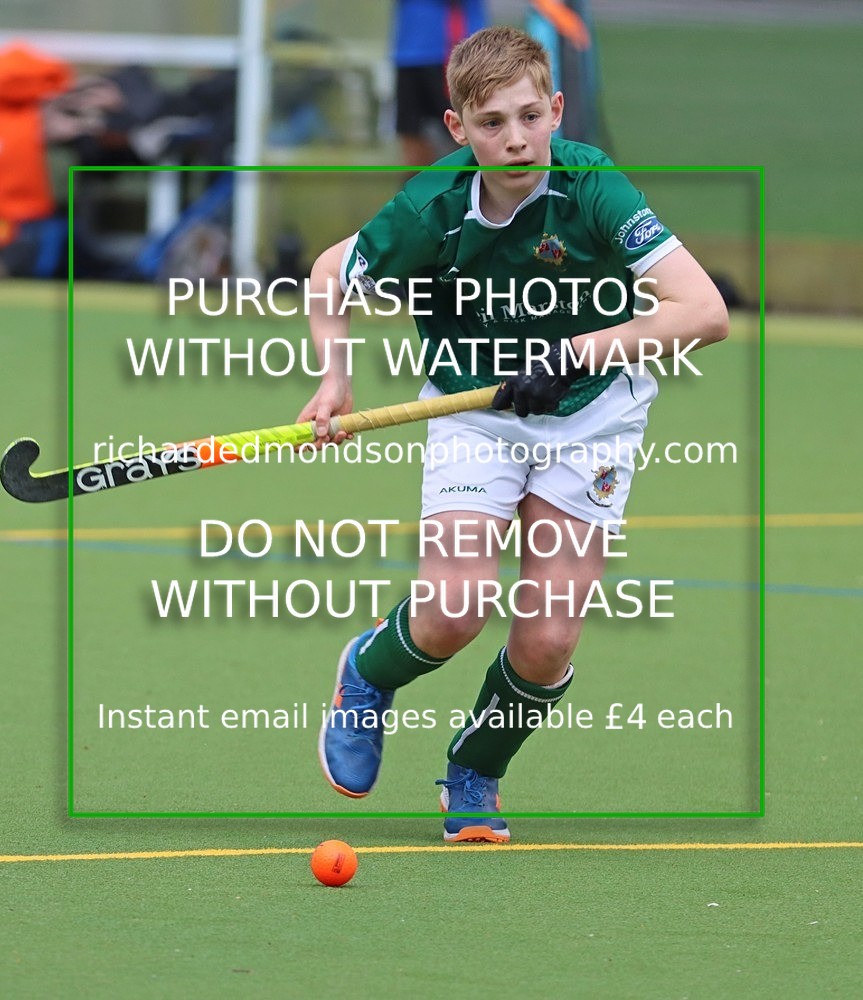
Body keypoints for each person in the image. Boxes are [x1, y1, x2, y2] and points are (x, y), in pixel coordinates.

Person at [298, 26, 728, 842]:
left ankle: (476, 768)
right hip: (473, 413)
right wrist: (334, 375)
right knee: (453, 610)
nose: (516, 138)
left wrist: (571, 353)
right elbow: (329, 272)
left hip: (593, 415)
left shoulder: (590, 186)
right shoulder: (431, 205)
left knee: (546, 639)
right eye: (491, 122)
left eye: (531, 115)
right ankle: (368, 673)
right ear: (458, 128)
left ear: (556, 110)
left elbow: (702, 312)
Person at [393, 0, 486, 166]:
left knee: (467, 131)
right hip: (408, 53)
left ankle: (475, 188)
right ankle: (416, 190)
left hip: (455, 51)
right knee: (411, 134)